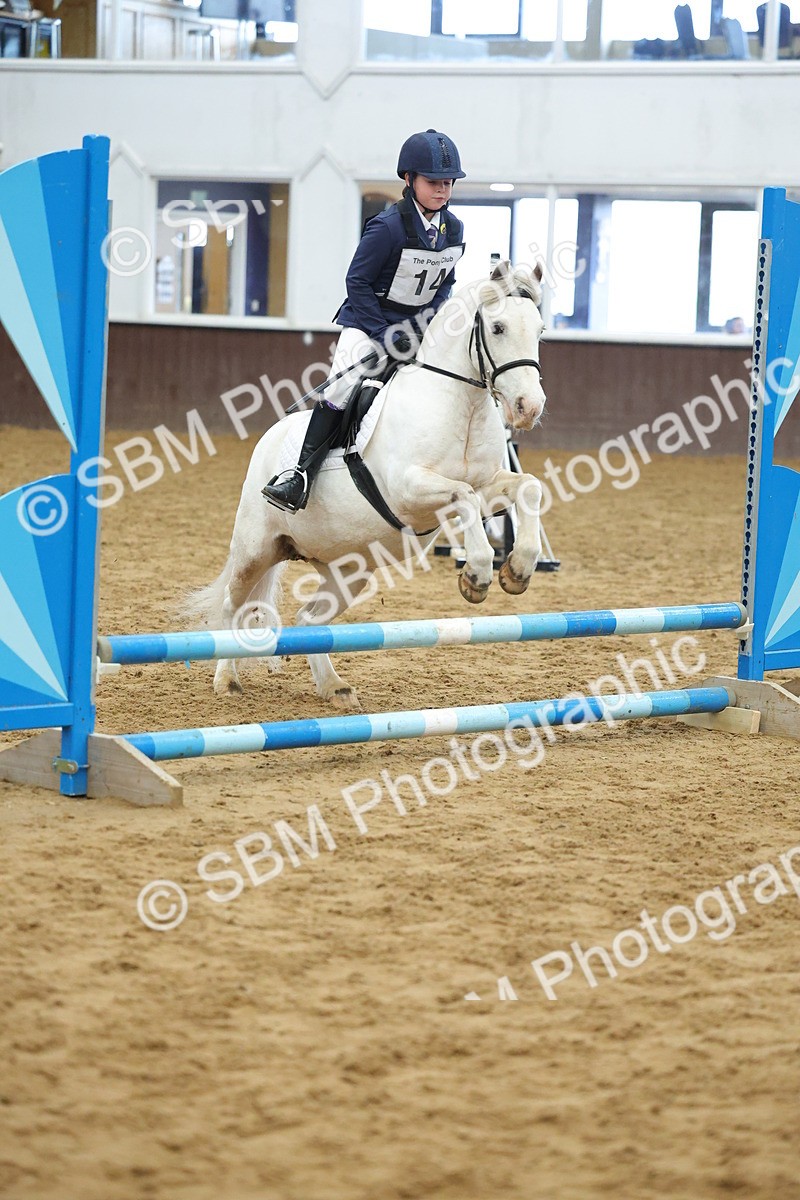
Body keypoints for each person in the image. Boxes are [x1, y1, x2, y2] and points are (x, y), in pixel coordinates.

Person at [262, 128, 466, 513]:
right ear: (409, 179)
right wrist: (384, 333)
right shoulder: (387, 227)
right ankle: (299, 475)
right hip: (369, 322)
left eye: (448, 182)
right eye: (433, 182)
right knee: (341, 387)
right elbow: (357, 281)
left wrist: (428, 323)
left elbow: (446, 283)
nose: (442, 190)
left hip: (416, 328)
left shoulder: (453, 228)